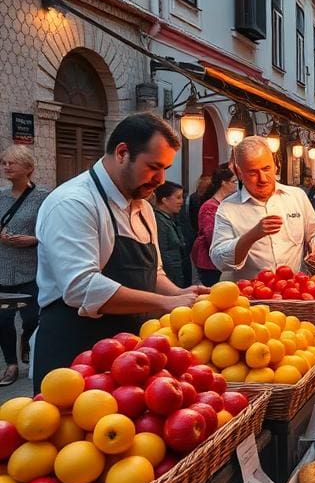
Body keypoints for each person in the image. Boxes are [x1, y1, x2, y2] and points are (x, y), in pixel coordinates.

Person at [33, 112, 205, 384]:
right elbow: (82, 287)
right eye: (153, 166)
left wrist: (180, 293)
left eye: (165, 169)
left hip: (129, 356)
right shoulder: (73, 203)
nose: (160, 179)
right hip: (75, 357)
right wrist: (166, 302)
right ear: (122, 152)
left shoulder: (144, 208)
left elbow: (153, 273)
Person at [210, 136, 315, 280]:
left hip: (294, 293)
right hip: (250, 297)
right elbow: (219, 259)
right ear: (239, 173)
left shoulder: (296, 196)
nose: (262, 178)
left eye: (266, 168)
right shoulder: (227, 208)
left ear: (275, 166)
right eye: (253, 172)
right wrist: (251, 236)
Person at [0, 145, 47, 386]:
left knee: (30, 318)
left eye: (12, 163)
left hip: (31, 270)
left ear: (28, 168)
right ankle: (11, 364)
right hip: (3, 270)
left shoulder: (44, 198)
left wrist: (34, 240)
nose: (6, 166)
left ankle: (26, 342)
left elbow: (51, 231)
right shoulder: (0, 195)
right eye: (4, 162)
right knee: (3, 321)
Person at [190, 165, 237, 286]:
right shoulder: (210, 207)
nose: (236, 185)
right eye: (233, 182)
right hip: (210, 262)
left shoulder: (227, 204)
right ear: (223, 183)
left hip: (223, 259)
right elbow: (212, 236)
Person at [152, 182, 189, 288]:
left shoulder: (170, 219)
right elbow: (162, 252)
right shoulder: (159, 221)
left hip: (178, 273)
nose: (181, 201)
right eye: (178, 197)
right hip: (170, 277)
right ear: (164, 200)